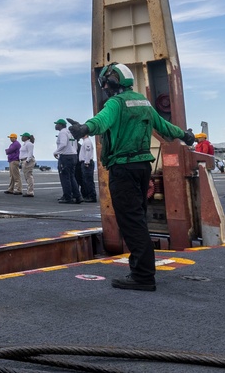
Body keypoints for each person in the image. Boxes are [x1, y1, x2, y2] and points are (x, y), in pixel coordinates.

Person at [69, 63, 194, 291]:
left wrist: (84, 129)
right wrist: (184, 135)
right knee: (137, 218)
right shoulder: (143, 102)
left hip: (123, 169)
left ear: (112, 82)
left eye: (106, 82)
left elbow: (101, 121)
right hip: (141, 168)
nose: (105, 86)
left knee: (131, 222)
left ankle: (143, 276)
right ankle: (143, 270)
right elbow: (164, 126)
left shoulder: (115, 103)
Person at [53, 119, 82, 204]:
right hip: (73, 155)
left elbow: (63, 144)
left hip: (66, 156)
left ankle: (67, 196)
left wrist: (56, 152)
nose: (55, 126)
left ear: (61, 125)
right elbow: (75, 145)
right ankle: (77, 196)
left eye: (57, 124)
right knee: (72, 177)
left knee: (65, 177)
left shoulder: (62, 132)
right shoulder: (70, 133)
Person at [78, 134, 98, 202]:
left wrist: (87, 162)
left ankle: (91, 196)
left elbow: (88, 152)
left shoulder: (87, 142)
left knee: (88, 180)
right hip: (85, 162)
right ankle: (88, 195)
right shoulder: (85, 141)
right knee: (86, 180)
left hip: (87, 163)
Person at [19, 133, 36, 197]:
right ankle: (29, 190)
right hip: (24, 160)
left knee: (28, 176)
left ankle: (30, 191)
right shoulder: (25, 144)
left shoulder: (29, 144)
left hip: (27, 161)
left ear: (26, 137)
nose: (22, 138)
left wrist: (27, 160)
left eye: (23, 136)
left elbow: (30, 153)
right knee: (27, 176)